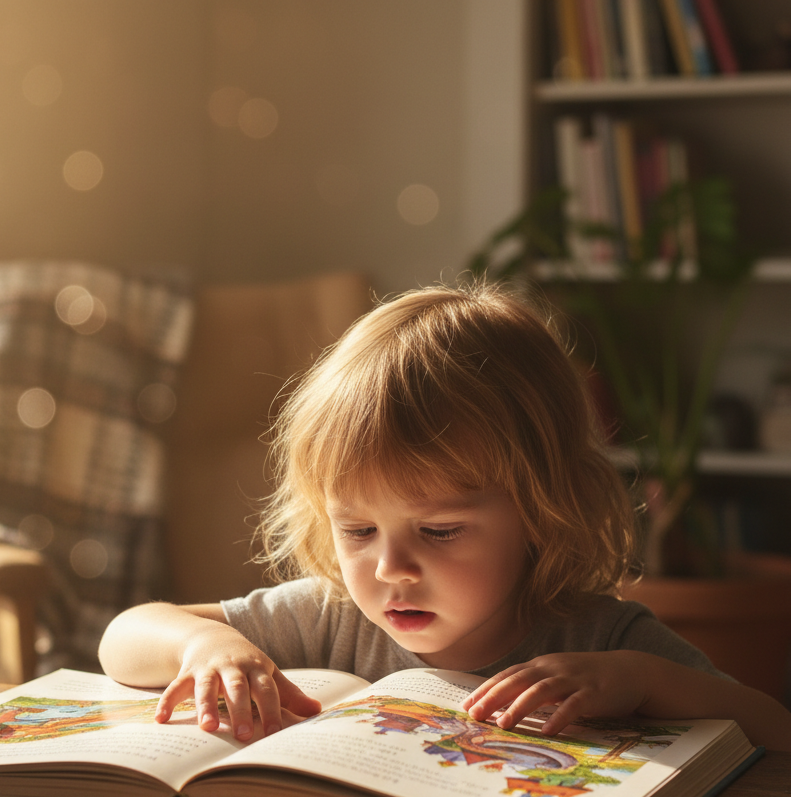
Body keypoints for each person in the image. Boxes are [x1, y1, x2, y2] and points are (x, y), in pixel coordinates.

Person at [100, 284, 791, 751]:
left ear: (542, 512)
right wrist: (205, 648)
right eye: (358, 530)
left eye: (439, 531)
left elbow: (773, 729)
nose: (390, 568)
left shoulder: (600, 638)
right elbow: (123, 637)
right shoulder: (326, 615)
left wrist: (644, 681)